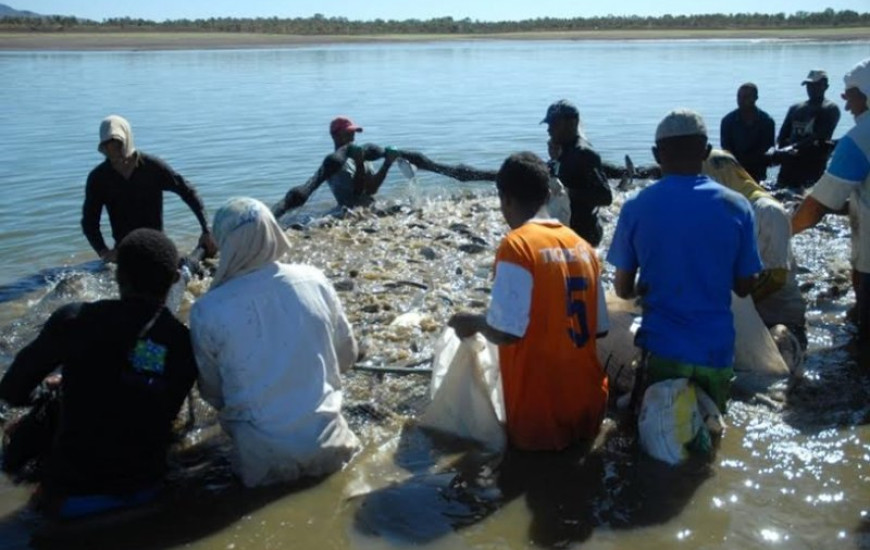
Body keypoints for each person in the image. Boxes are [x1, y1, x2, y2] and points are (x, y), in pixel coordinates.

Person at [0, 229, 197, 518]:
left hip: (70, 501)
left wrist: (52, 390)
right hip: (149, 491)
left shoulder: (75, 320)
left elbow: (12, 391)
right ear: (173, 281)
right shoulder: (183, 342)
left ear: (118, 277)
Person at [190, 197, 360, 487]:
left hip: (264, 462)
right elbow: (347, 356)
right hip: (333, 447)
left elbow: (213, 392)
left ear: (225, 244)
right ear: (273, 231)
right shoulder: (314, 279)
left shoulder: (207, 309)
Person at [448, 152, 609, 451]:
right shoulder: (584, 247)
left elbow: (506, 333)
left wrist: (472, 322)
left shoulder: (517, 246)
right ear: (548, 194)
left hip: (540, 415)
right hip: (589, 404)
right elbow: (599, 329)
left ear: (505, 199)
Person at [607, 109, 761, 413]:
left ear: (656, 154)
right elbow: (745, 286)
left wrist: (646, 287)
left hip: (663, 349)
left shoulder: (636, 207)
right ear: (705, 152)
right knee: (710, 431)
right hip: (716, 350)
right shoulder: (737, 206)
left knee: (662, 434)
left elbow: (623, 290)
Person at [792, 58, 870, 341]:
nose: (848, 107)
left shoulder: (859, 138)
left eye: (852, 99)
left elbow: (815, 209)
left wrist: (782, 230)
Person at [702, 149, 807, 347]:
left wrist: (730, 307)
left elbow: (775, 277)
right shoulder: (722, 212)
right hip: (741, 316)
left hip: (778, 318)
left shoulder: (767, 211)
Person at [81, 115, 217, 263]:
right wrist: (103, 252)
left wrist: (206, 230)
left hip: (157, 245)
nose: (113, 150)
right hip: (125, 250)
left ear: (127, 140)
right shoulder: (99, 178)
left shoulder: (152, 167)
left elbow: (188, 192)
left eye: (117, 143)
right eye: (107, 145)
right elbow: (89, 222)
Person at [273, 116, 398, 216]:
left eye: (353, 133)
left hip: (370, 207)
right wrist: (359, 164)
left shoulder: (362, 156)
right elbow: (356, 193)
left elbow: (372, 189)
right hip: (348, 213)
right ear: (335, 136)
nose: (352, 137)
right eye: (348, 133)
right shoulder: (334, 164)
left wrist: (387, 164)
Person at [541, 100, 613, 247]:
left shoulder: (584, 154)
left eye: (554, 124)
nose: (549, 130)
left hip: (584, 234)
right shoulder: (563, 150)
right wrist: (554, 160)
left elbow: (605, 196)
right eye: (548, 125)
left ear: (572, 123)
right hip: (566, 230)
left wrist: (566, 192)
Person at [775, 70, 841, 189]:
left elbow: (819, 135)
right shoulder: (795, 108)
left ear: (825, 86)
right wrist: (778, 150)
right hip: (789, 166)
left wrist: (792, 147)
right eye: (809, 85)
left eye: (816, 85)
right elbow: (782, 135)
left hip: (813, 165)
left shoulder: (830, 109)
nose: (811, 88)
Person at [720, 83, 776, 182]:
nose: (741, 100)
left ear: (755, 98)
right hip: (734, 169)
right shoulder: (728, 121)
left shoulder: (766, 121)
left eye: (745, 97)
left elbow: (767, 147)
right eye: (739, 97)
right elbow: (726, 148)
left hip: (757, 171)